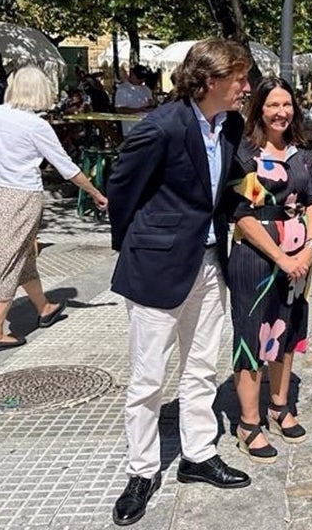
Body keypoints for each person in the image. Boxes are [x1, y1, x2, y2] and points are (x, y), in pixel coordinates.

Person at [106, 38, 252, 526]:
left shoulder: (228, 123)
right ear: (210, 80)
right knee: (147, 378)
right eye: (239, 79)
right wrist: (140, 244)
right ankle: (142, 471)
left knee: (201, 368)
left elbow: (229, 182)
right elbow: (121, 187)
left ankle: (198, 454)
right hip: (158, 268)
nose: (245, 88)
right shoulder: (162, 127)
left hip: (210, 263)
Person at [0, 67, 108, 352]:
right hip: (21, 197)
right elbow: (67, 168)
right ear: (41, 91)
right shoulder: (36, 125)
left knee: (19, 253)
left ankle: (45, 307)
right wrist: (95, 193)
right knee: (11, 260)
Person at [227, 76, 312, 464]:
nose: (281, 113)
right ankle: (248, 423)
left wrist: (310, 247)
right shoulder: (246, 155)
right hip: (256, 259)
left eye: (287, 105)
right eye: (273, 106)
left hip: (300, 259)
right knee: (252, 334)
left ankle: (279, 405)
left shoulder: (302, 155)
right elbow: (243, 215)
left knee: (287, 329)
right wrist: (281, 257)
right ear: (259, 110)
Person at [114, 64, 156, 135]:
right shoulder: (123, 89)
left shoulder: (146, 89)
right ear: (132, 74)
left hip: (147, 129)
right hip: (131, 131)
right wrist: (139, 110)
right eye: (139, 78)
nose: (141, 80)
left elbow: (151, 103)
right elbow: (120, 109)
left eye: (143, 78)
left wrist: (153, 105)